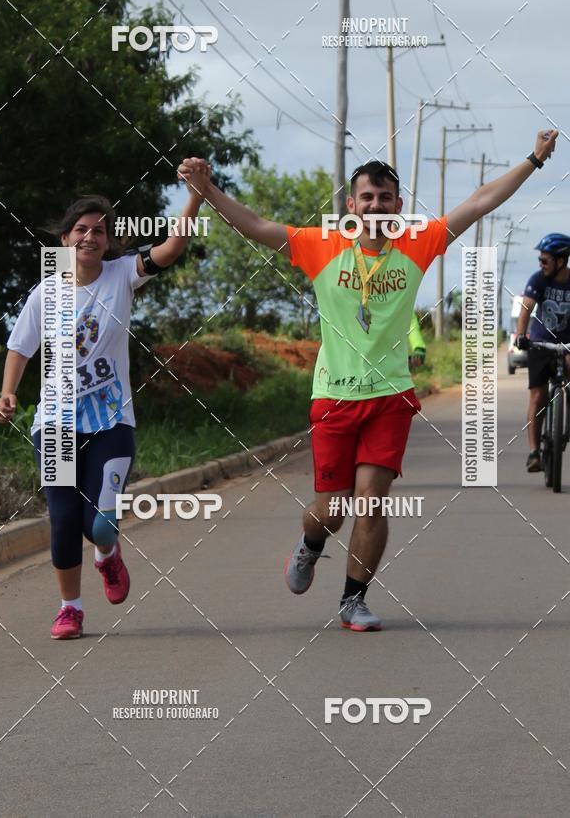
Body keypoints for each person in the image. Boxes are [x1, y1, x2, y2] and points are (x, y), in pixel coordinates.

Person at [178, 130, 557, 632]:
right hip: (333, 398)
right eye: (367, 197)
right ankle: (312, 544)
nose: (376, 204)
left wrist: (532, 159)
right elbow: (255, 225)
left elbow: (479, 201)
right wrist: (208, 190)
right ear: (352, 205)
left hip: (390, 398)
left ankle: (353, 599)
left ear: (398, 204)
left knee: (372, 500)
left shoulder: (418, 243)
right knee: (330, 511)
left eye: (385, 197)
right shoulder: (320, 246)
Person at [0, 187, 206, 639]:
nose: (90, 237)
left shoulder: (121, 275)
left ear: (108, 242)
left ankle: (107, 556)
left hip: (111, 419)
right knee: (65, 518)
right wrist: (7, 393)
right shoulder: (45, 292)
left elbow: (170, 248)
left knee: (102, 524)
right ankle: (70, 608)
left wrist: (195, 199)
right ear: (65, 239)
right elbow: (19, 348)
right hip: (53, 423)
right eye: (81, 230)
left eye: (99, 231)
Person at [515, 233, 570, 472]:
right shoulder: (538, 280)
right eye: (540, 259)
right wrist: (520, 335)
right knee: (538, 397)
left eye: (545, 260)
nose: (541, 264)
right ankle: (534, 452)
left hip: (568, 344)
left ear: (561, 261)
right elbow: (526, 308)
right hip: (540, 343)